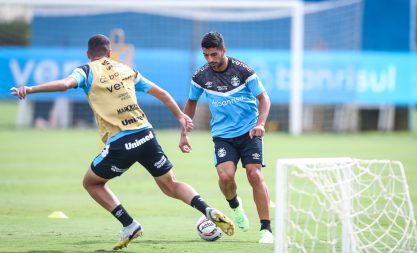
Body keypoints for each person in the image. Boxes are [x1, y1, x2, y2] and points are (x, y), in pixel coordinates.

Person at [10, 34, 234, 250]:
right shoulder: (126, 69)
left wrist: (30, 89)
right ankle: (206, 209)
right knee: (171, 184)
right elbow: (164, 94)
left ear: (89, 54)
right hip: (147, 135)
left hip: (122, 143)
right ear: (109, 52)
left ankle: (129, 224)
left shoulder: (86, 71)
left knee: (92, 183)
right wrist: (180, 117)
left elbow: (65, 84)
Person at [179, 31, 273, 244]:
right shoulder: (201, 76)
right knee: (225, 177)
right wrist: (184, 133)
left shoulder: (243, 70)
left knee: (255, 175)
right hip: (222, 135)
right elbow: (191, 102)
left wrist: (260, 124)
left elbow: (264, 98)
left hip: (250, 131)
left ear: (223, 50)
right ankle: (235, 206)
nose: (210, 59)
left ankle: (266, 229)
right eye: (206, 55)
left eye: (214, 54)